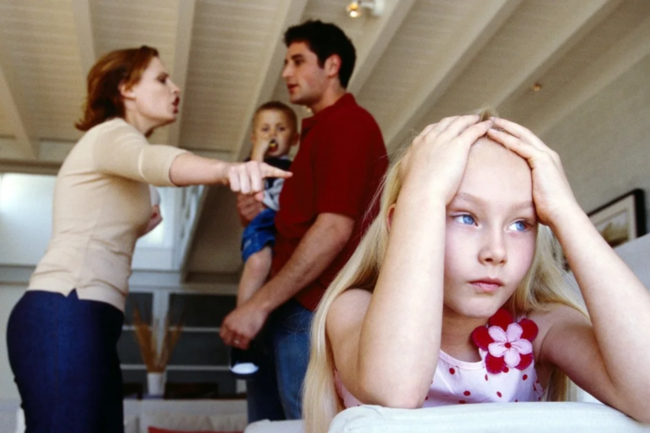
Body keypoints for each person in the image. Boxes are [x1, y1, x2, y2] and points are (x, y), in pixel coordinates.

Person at [302, 113, 650, 433]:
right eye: (466, 217)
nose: (496, 251)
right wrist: (424, 195)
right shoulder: (354, 308)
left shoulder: (538, 328)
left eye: (521, 223)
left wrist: (565, 212)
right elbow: (395, 393)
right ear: (403, 223)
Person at [5, 45, 289, 433]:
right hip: (64, 306)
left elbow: (103, 215)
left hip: (91, 314)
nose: (175, 88)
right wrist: (226, 169)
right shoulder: (110, 134)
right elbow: (153, 162)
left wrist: (137, 227)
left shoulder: (121, 152)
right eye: (161, 79)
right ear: (126, 88)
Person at [220, 20, 389, 421]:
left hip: (313, 308)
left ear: (332, 65)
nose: (286, 72)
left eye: (297, 61)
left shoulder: (348, 124)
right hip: (291, 306)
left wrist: (257, 304)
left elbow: (333, 229)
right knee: (275, 425)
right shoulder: (317, 132)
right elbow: (296, 226)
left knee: (309, 425)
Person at [237, 101, 298, 307]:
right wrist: (257, 153)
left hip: (285, 227)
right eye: (265, 129)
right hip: (262, 222)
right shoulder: (251, 164)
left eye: (280, 129)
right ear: (254, 138)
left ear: (294, 138)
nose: (272, 134)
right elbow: (251, 194)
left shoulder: (295, 168)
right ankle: (242, 311)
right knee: (258, 262)